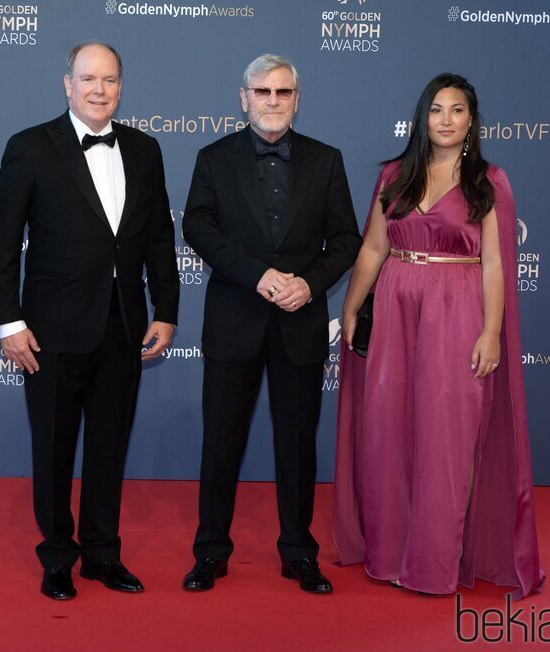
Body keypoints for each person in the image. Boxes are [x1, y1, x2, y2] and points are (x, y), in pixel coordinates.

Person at [333, 73, 545, 597]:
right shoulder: (392, 175)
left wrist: (491, 332)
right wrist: (352, 305)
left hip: (458, 310)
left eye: (456, 111)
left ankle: (434, 562)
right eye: (436, 110)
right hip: (397, 302)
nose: (445, 120)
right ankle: (387, 554)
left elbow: (495, 264)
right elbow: (371, 250)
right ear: (421, 117)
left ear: (471, 121)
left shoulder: (489, 181)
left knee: (447, 437)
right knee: (388, 430)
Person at [0, 42, 179, 600]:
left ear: (121, 86)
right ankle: (56, 557)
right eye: (88, 78)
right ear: (66, 83)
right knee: (52, 447)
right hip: (49, 331)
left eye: (110, 80)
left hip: (123, 326)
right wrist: (7, 321)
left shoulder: (145, 149)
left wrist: (165, 309)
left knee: (109, 447)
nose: (100, 90)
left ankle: (101, 554)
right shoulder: (30, 147)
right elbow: (2, 242)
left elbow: (159, 239)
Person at [181, 54, 361, 593]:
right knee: (220, 445)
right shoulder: (213, 157)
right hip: (235, 318)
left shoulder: (326, 160)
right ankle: (210, 551)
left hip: (299, 323)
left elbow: (347, 239)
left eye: (283, 92)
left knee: (298, 445)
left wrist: (309, 282)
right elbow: (198, 227)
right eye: (263, 91)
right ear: (244, 98)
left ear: (297, 99)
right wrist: (257, 275)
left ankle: (299, 552)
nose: (273, 100)